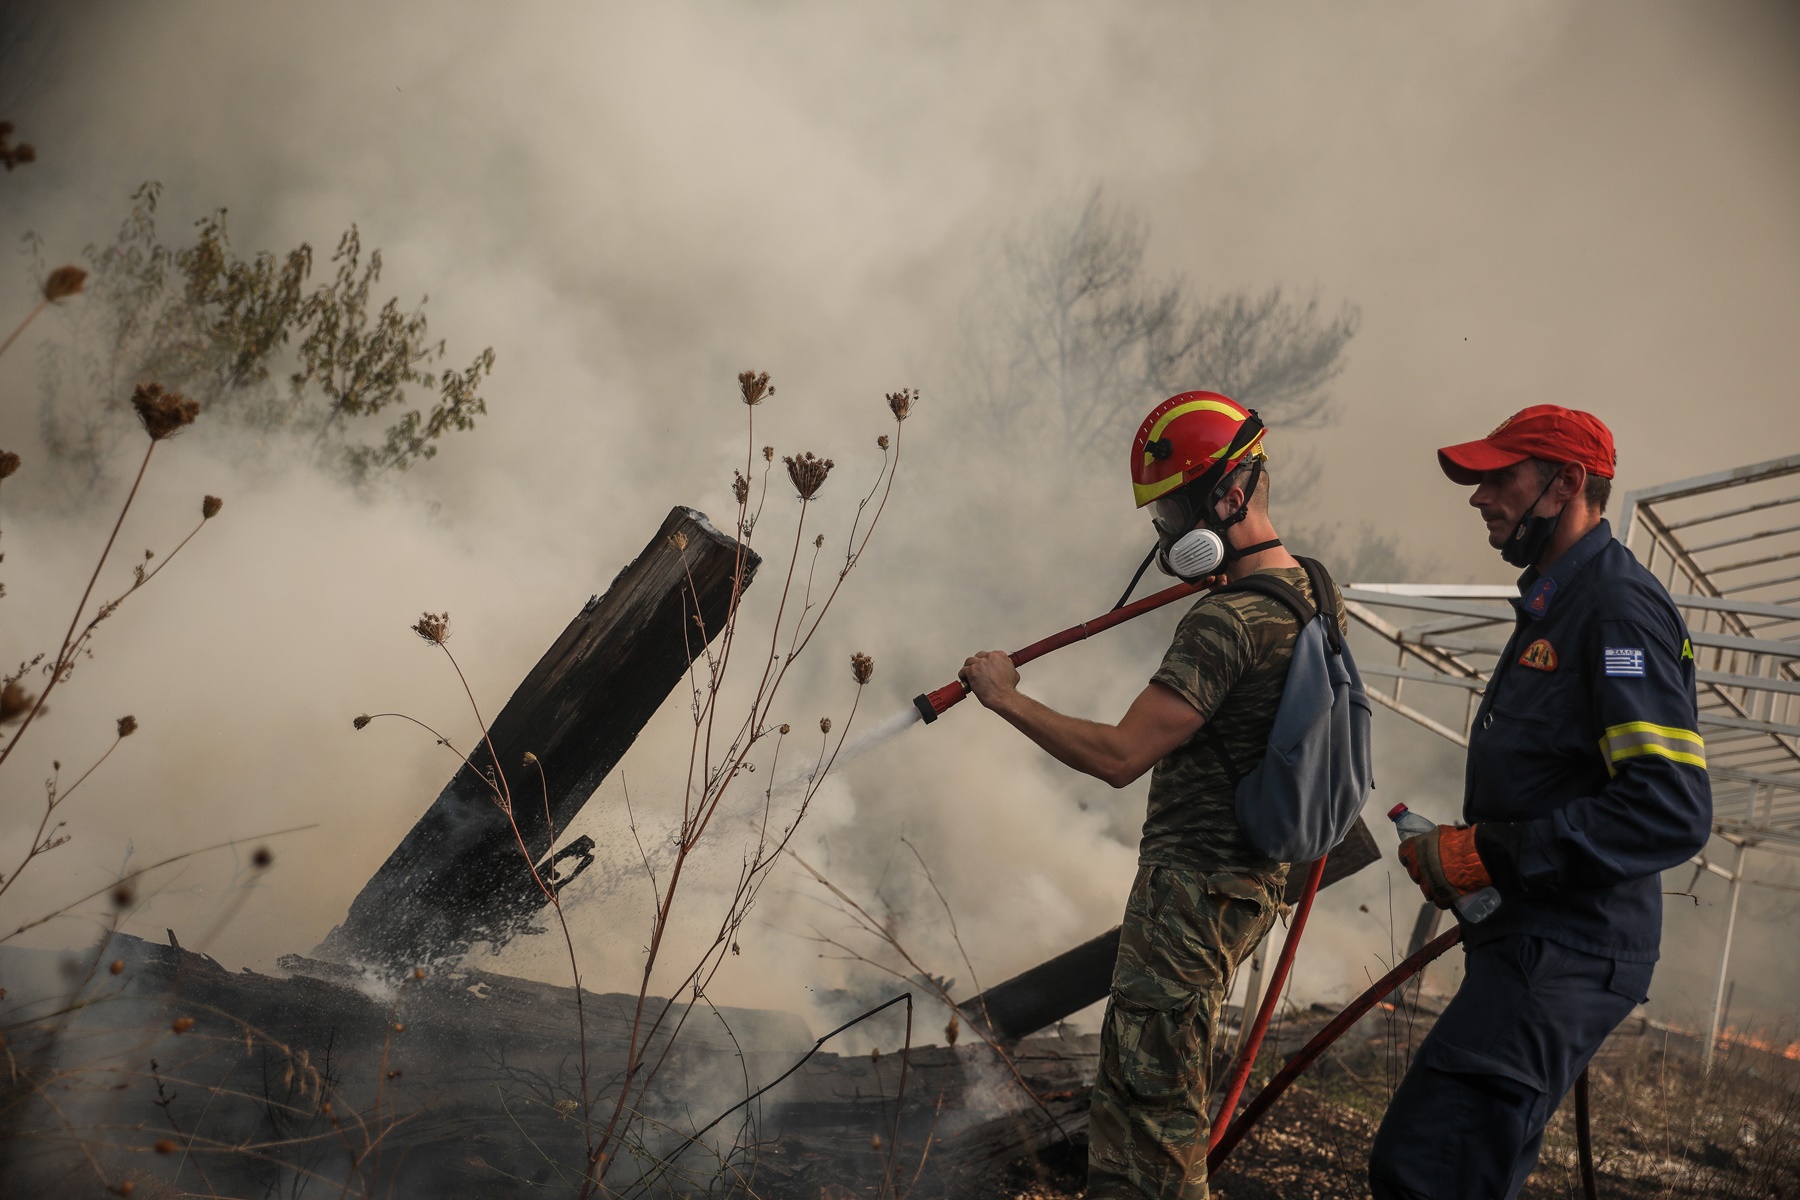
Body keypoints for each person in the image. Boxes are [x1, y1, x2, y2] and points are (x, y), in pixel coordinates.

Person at [958, 391, 1346, 1200]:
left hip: (1192, 896)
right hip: (1241, 889)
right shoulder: (1312, 590)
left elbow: (1120, 755)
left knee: (1151, 1130)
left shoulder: (1229, 621)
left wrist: (1006, 698)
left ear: (1228, 497)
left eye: (1172, 507)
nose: (1165, 531)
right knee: (1149, 1111)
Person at [1367, 405, 1713, 1199]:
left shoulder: (1617, 611)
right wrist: (1470, 858)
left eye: (1500, 476)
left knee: (1429, 1172)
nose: (1479, 496)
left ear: (1568, 483)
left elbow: (1670, 807)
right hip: (1540, 946)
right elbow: (1560, 779)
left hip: (1567, 952)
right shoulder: (1563, 604)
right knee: (1454, 1169)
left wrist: (1485, 854)